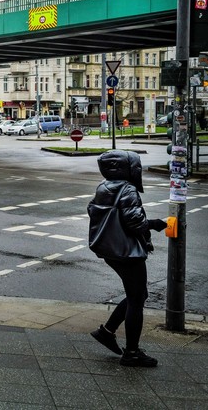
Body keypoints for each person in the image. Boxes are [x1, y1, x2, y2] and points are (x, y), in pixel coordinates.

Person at [87, 150, 168, 367]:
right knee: (136, 298)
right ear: (127, 168)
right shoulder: (127, 189)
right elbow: (135, 223)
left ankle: (107, 331)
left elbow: (99, 212)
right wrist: (155, 224)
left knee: (138, 294)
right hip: (128, 252)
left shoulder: (103, 187)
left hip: (111, 250)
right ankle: (131, 352)